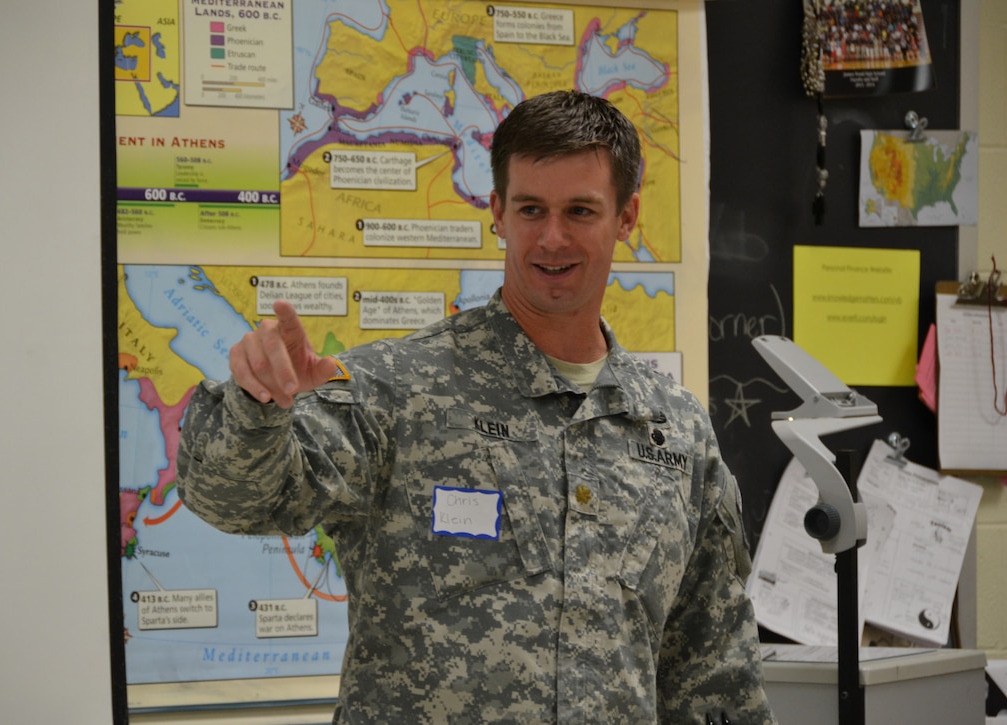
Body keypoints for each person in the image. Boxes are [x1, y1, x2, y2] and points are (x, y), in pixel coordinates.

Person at [177, 89, 775, 724]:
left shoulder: (673, 428)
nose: (551, 238)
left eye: (579, 211)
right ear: (497, 211)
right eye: (530, 209)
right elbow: (233, 499)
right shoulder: (394, 391)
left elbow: (711, 664)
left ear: (626, 218)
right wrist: (257, 405)